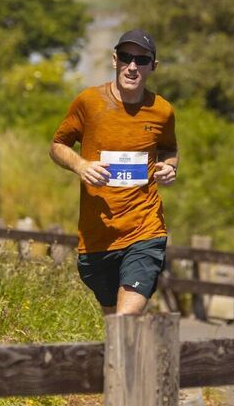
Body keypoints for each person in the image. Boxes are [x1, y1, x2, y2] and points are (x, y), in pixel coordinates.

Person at [50, 29, 179, 315]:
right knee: (114, 325)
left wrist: (169, 167)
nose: (132, 66)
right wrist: (81, 165)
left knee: (126, 318)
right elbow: (57, 145)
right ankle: (131, 361)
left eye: (141, 60)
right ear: (115, 60)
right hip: (98, 236)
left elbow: (169, 148)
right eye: (126, 57)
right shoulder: (89, 102)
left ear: (152, 67)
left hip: (145, 228)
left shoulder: (162, 111)